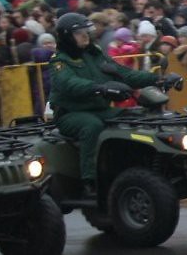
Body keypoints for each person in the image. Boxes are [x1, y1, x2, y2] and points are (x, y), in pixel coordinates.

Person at [48, 13, 165, 198]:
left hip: (100, 110)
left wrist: (158, 79)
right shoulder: (60, 61)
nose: (85, 35)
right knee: (91, 126)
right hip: (71, 114)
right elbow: (68, 84)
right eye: (79, 33)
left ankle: (131, 168)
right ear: (67, 36)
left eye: (86, 31)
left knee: (135, 117)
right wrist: (100, 88)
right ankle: (89, 180)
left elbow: (124, 74)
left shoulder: (94, 55)